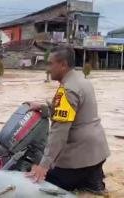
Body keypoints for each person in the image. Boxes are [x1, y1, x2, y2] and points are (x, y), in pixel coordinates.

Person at [26, 46, 110, 194]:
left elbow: (59, 132)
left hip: (79, 157)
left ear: (63, 65)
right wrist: (44, 108)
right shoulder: (82, 81)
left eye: (51, 63)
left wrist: (44, 165)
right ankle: (92, 184)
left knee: (40, 182)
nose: (48, 68)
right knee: (90, 187)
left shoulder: (67, 90)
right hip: (97, 152)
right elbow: (75, 113)